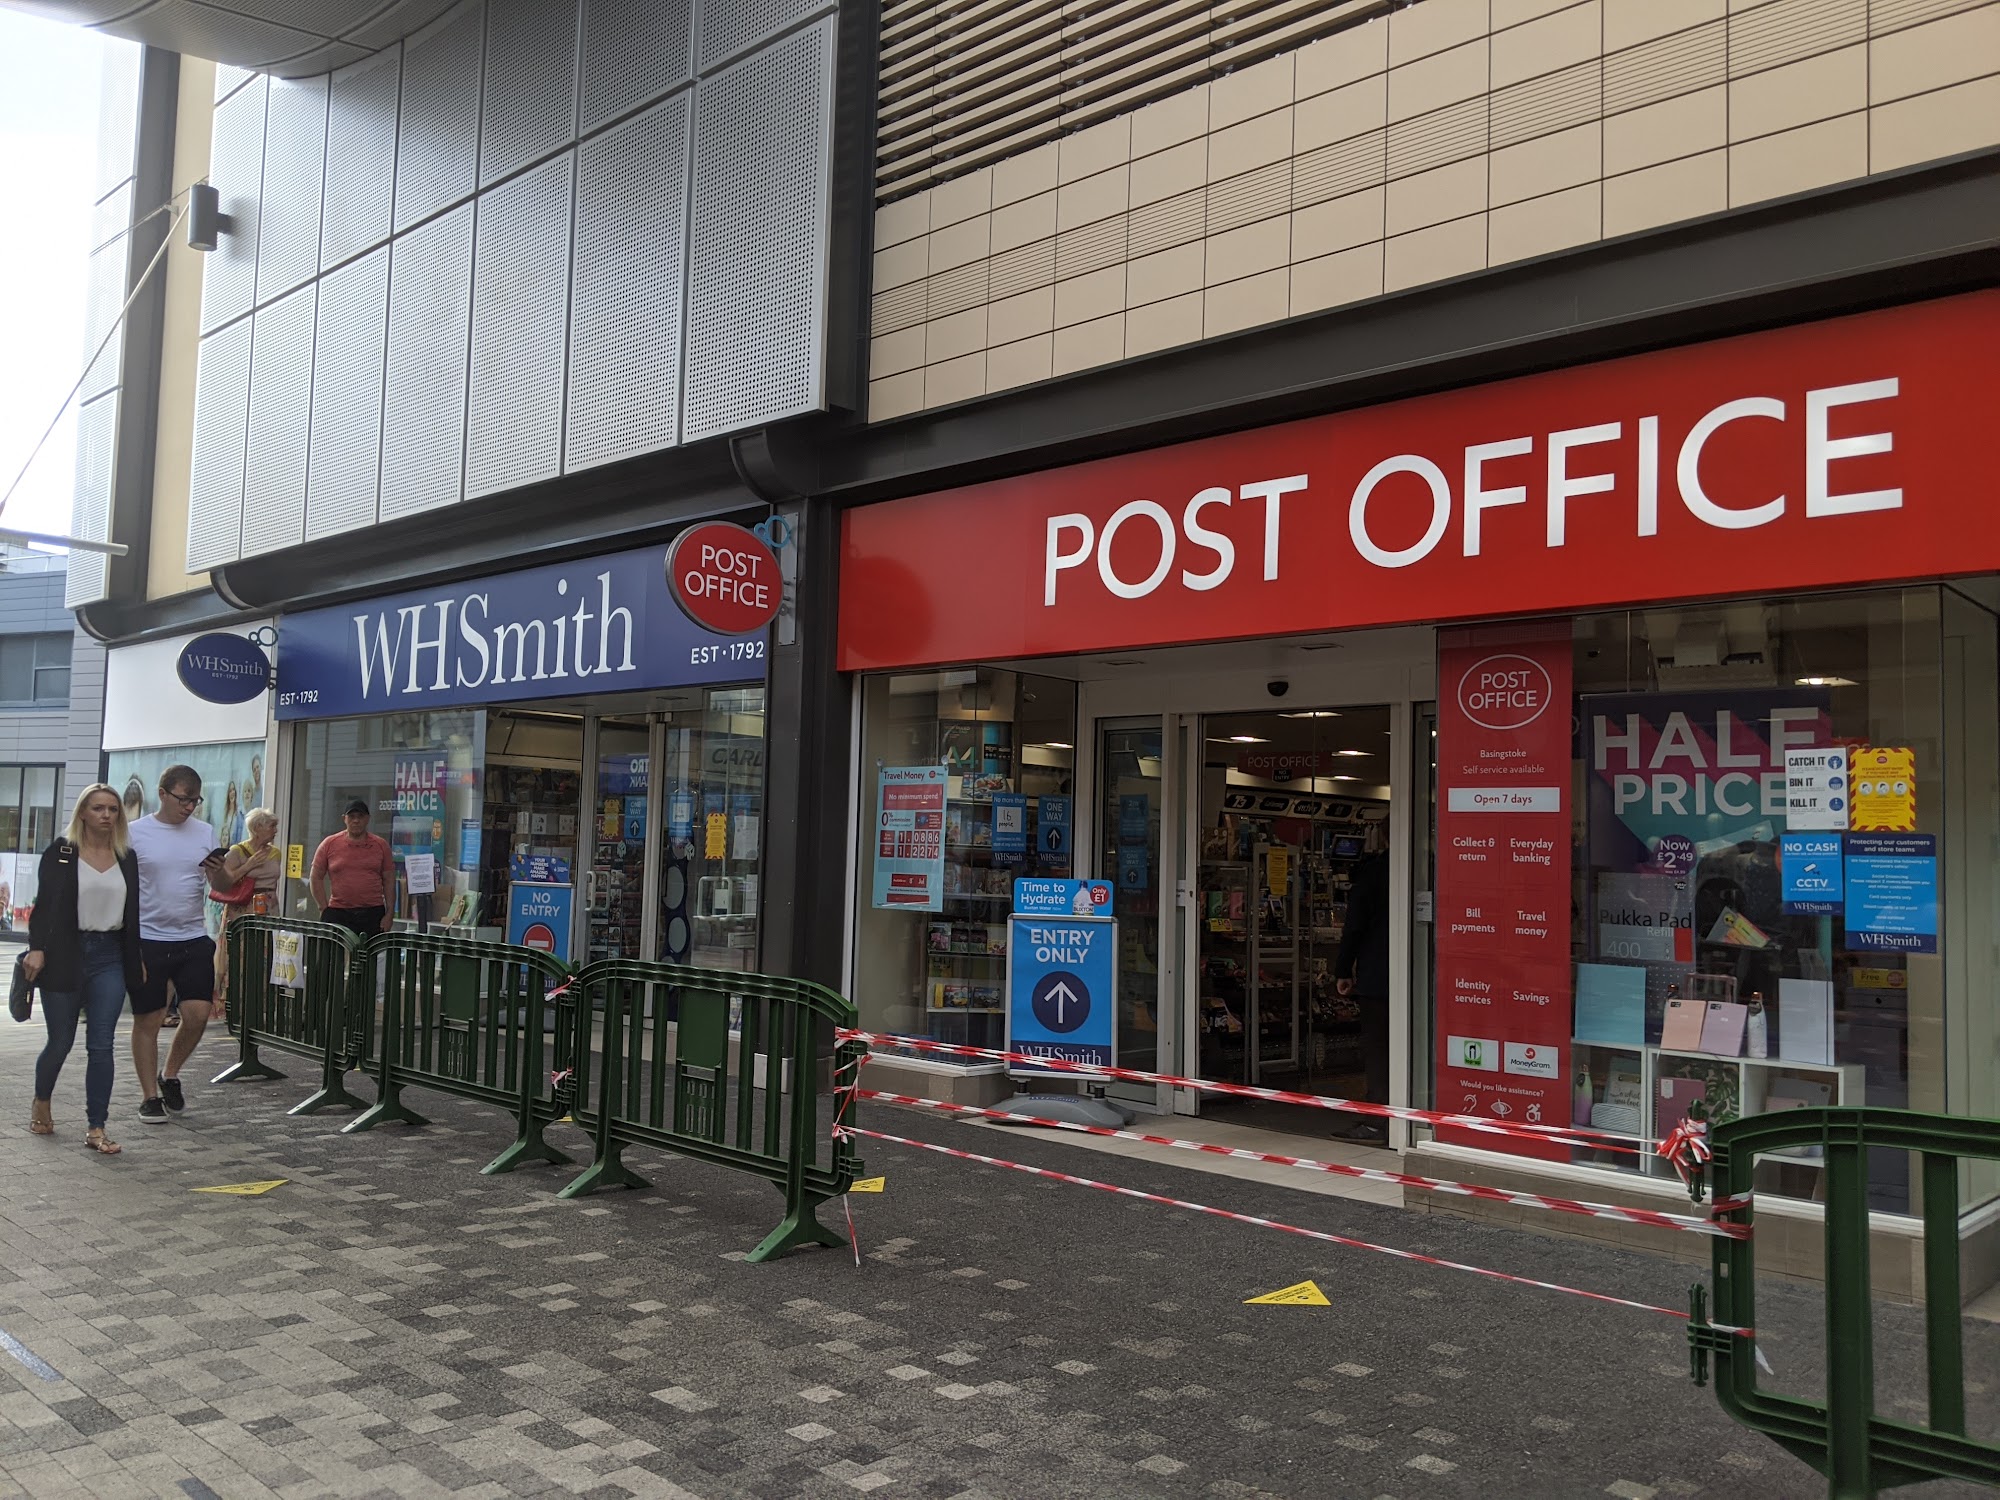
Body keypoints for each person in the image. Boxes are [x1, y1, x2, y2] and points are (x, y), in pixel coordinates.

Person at [23, 785, 145, 1154]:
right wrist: (37, 949)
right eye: (98, 809)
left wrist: (135, 955)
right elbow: (43, 907)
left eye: (113, 809)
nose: (106, 815)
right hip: (64, 952)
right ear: (82, 813)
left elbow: (132, 911)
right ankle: (42, 1099)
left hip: (110, 954)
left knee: (102, 1044)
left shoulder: (126, 856)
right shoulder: (61, 854)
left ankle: (97, 1127)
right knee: (60, 1041)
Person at [127, 765, 228, 1124]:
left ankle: (170, 1075)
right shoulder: (135, 832)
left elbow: (225, 886)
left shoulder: (203, 832)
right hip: (148, 938)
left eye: (195, 800)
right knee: (149, 1018)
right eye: (184, 799)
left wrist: (220, 869)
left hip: (192, 936)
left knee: (198, 1014)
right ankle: (149, 1097)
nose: (189, 807)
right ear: (163, 793)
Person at [1331, 821, 1391, 1146]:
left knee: (1379, 1051)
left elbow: (1354, 926)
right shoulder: (1433, 868)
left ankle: (1378, 1122)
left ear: (1382, 836)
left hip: (1377, 978)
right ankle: (1415, 1117)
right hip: (1421, 980)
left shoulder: (1373, 873)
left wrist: (1343, 969)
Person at [213, 808, 282, 1017]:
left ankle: (260, 1005)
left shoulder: (275, 853)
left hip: (268, 907)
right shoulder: (237, 851)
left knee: (264, 956)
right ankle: (236, 1005)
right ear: (257, 828)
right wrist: (249, 865)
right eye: (271, 826)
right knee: (239, 957)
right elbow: (225, 882)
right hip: (241, 908)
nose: (275, 831)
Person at [310, 800, 396, 938]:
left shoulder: (381, 845)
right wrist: (323, 908)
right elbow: (315, 877)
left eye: (360, 816)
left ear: (367, 819)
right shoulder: (329, 844)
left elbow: (389, 880)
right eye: (352, 817)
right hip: (338, 912)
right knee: (336, 957)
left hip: (372, 913)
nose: (356, 821)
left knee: (369, 957)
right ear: (344, 819)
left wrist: (390, 913)